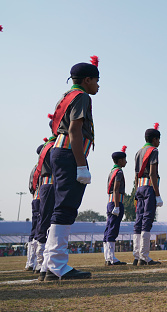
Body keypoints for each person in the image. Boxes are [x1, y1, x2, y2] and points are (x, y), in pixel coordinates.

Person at [42, 56, 99, 281]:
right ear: (86, 80)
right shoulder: (82, 96)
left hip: (61, 151)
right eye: (96, 80)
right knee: (66, 208)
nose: (98, 85)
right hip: (69, 152)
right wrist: (81, 165)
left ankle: (49, 265)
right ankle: (57, 264)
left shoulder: (67, 96)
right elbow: (75, 131)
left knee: (60, 207)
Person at [133, 123, 163, 266]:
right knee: (147, 220)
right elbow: (152, 173)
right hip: (149, 187)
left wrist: (135, 191)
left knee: (138, 220)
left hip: (139, 187)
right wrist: (157, 194)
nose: (159, 142)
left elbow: (135, 175)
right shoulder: (154, 151)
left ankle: (136, 254)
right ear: (155, 139)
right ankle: (144, 257)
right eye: (159, 139)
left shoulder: (138, 152)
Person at [35, 130, 57, 279]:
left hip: (45, 186)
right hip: (52, 184)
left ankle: (40, 264)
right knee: (48, 222)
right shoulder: (54, 146)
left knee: (44, 221)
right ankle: (42, 264)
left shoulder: (46, 147)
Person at [103, 146, 128, 266]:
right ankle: (111, 258)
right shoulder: (119, 172)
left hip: (110, 202)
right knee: (113, 229)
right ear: (119, 161)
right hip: (116, 201)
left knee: (108, 228)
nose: (126, 162)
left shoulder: (111, 171)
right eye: (124, 159)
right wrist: (117, 206)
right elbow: (116, 189)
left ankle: (108, 257)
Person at [26, 143, 43, 272]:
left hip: (35, 199)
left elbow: (31, 187)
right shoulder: (42, 167)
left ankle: (30, 263)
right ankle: (38, 263)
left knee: (34, 230)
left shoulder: (34, 168)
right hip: (42, 199)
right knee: (41, 229)